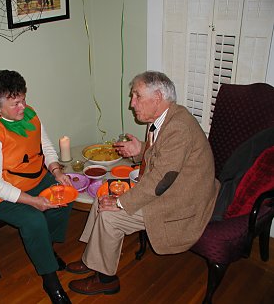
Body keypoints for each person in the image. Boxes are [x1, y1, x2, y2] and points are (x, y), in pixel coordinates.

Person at [66, 71, 220, 295]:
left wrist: (121, 203)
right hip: (167, 187)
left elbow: (161, 181)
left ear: (157, 97)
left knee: (110, 214)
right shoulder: (159, 120)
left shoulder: (179, 128)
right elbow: (160, 157)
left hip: (182, 201)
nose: (132, 103)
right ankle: (94, 259)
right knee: (104, 194)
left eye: (137, 96)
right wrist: (139, 151)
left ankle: (106, 280)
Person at [0, 70, 72, 304]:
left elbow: (45, 145)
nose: (23, 107)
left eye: (23, 99)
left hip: (31, 177)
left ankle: (46, 250)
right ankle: (51, 281)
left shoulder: (29, 115)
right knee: (33, 219)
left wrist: (57, 171)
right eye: (15, 103)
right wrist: (33, 201)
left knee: (64, 198)